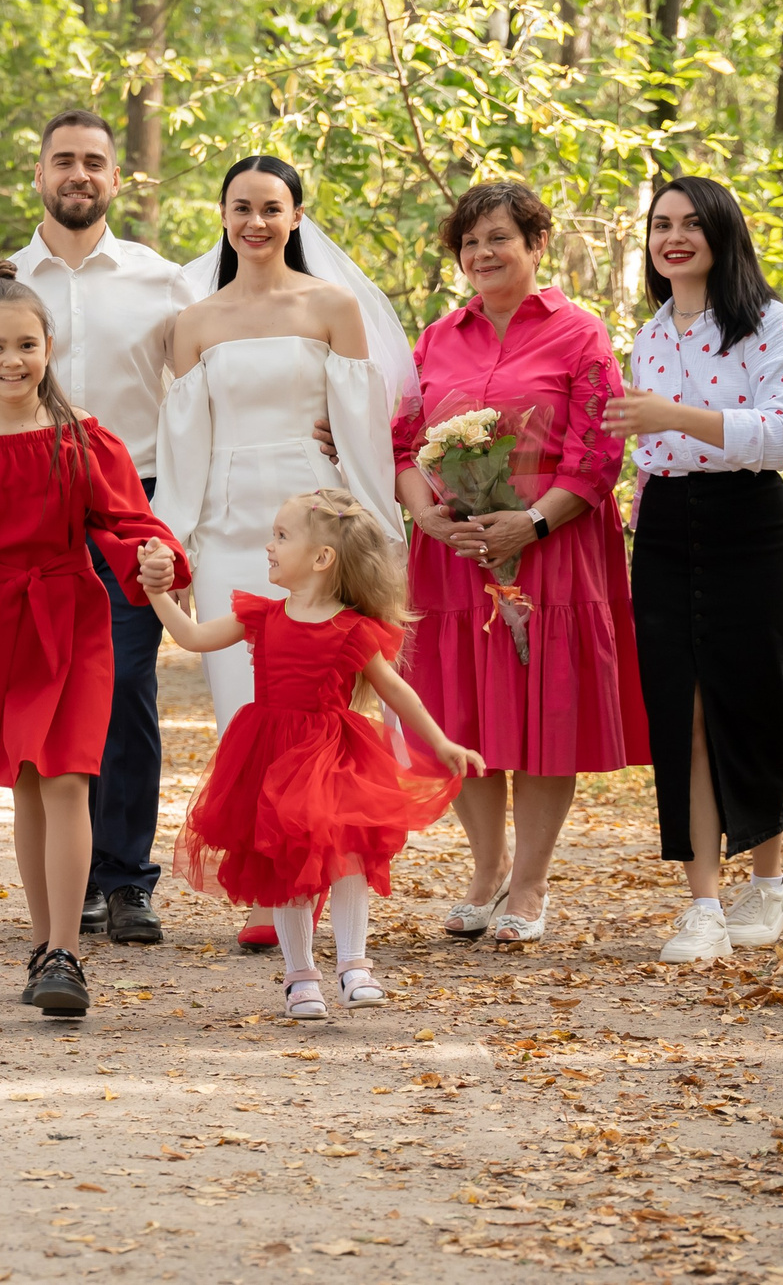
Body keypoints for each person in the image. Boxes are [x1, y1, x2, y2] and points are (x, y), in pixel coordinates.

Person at [0, 268, 189, 1017]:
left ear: (49, 346)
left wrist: (153, 556)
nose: (13, 360)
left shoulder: (80, 432)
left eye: (27, 344)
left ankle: (66, 954)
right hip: (0, 621)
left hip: (74, 613)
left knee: (66, 778)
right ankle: (44, 939)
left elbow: (126, 519)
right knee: (27, 778)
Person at [157, 155, 411, 949]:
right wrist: (171, 539)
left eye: (272, 207)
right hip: (230, 526)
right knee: (247, 710)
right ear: (223, 216)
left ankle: (323, 872)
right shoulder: (195, 323)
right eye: (241, 207)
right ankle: (270, 886)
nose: (256, 222)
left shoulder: (333, 307)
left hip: (315, 517)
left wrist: (377, 526)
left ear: (297, 215)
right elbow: (183, 440)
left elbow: (362, 427)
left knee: (316, 714)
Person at [392, 181, 646, 947]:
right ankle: (485, 868)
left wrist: (529, 524)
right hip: (454, 556)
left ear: (537, 244)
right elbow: (403, 443)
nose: (482, 254)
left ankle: (531, 882)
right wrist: (428, 515)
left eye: (498, 238)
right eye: (469, 243)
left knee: (544, 709)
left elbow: (599, 454)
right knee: (462, 707)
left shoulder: (579, 334)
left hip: (551, 553)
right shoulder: (436, 339)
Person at [0, 111, 197, 946]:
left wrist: (177, 525)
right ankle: (70, 890)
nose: (79, 173)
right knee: (45, 702)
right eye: (63, 160)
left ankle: (127, 879)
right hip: (31, 517)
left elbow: (198, 400)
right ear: (38, 173)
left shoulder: (162, 281)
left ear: (115, 179)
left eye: (94, 162)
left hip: (129, 506)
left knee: (127, 690)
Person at [140, 491, 481, 1019]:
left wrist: (440, 742)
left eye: (281, 536)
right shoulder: (264, 616)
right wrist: (157, 592)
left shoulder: (354, 629)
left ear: (322, 558)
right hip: (269, 754)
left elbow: (396, 691)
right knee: (288, 871)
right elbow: (192, 636)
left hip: (332, 754)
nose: (269, 546)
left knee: (347, 859)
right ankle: (300, 977)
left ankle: (354, 965)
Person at [602, 176, 783, 963]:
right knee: (679, 711)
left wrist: (671, 416)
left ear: (723, 233)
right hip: (665, 526)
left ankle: (767, 883)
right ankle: (701, 903)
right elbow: (645, 451)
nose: (675, 236)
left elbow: (782, 434)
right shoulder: (650, 335)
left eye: (693, 223)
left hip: (749, 521)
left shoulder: (772, 325)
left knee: (749, 700)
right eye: (662, 224)